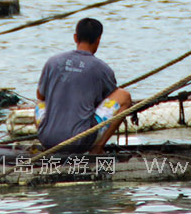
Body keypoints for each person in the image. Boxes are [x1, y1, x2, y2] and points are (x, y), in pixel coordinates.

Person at [36, 18, 132, 154]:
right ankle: (97, 148)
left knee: (40, 101)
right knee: (124, 96)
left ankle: (48, 148)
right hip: (80, 142)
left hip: (47, 139)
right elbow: (106, 101)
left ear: (75, 37)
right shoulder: (102, 69)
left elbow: (40, 95)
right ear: (98, 40)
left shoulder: (52, 62)